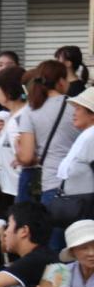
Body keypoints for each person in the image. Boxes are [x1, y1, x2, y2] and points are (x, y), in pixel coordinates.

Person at [17, 60, 81, 248]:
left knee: (55, 246)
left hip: (52, 184)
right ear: (61, 81)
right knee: (82, 243)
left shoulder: (30, 111)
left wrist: (20, 156)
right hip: (82, 185)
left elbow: (27, 157)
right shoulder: (76, 108)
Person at [49, 88, 94, 229]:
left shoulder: (91, 138)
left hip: (86, 209)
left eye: (79, 109)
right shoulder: (86, 136)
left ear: (92, 114)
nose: (74, 113)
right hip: (78, 206)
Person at [0, 65, 28, 203]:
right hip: (9, 187)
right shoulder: (7, 117)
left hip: (18, 188)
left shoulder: (20, 119)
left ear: (8, 91)